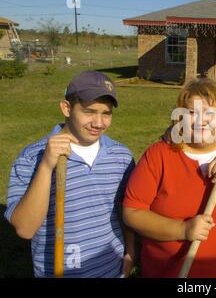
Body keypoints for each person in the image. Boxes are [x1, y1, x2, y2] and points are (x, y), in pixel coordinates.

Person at [122, 78, 216, 278]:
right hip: (168, 272)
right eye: (192, 113)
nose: (200, 121)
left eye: (210, 113)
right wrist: (183, 229)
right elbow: (132, 213)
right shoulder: (159, 154)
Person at [4, 71, 135, 278]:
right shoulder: (33, 157)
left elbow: (126, 210)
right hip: (60, 272)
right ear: (66, 108)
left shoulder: (121, 156)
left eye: (106, 113)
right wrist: (46, 167)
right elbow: (25, 228)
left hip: (112, 268)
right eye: (89, 111)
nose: (99, 123)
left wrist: (130, 251)